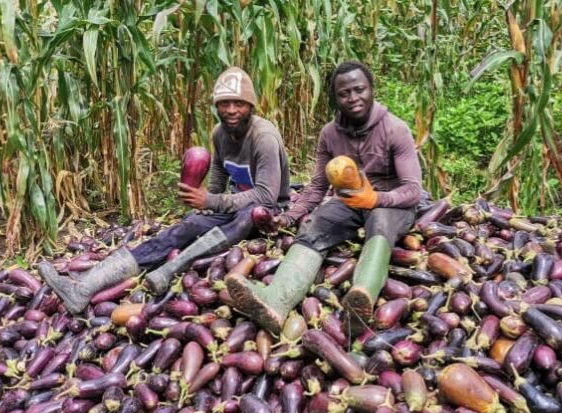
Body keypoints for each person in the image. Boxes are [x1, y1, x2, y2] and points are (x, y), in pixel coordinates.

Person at [38, 67, 291, 314]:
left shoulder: (263, 137)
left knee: (249, 214)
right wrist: (205, 205)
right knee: (186, 227)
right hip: (232, 206)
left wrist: (212, 199)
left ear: (251, 105)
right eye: (225, 104)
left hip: (266, 213)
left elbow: (266, 196)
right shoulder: (220, 133)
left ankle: (170, 270)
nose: (232, 110)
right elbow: (219, 172)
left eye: (239, 103)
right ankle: (83, 288)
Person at [227, 60, 422, 336]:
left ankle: (361, 297)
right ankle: (276, 299)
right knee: (316, 223)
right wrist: (289, 216)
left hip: (391, 201)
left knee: (379, 220)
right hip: (348, 202)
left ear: (371, 89)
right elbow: (317, 187)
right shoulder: (330, 134)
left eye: (359, 89)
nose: (353, 98)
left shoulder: (394, 129)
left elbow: (413, 190)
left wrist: (375, 198)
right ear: (335, 98)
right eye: (344, 93)